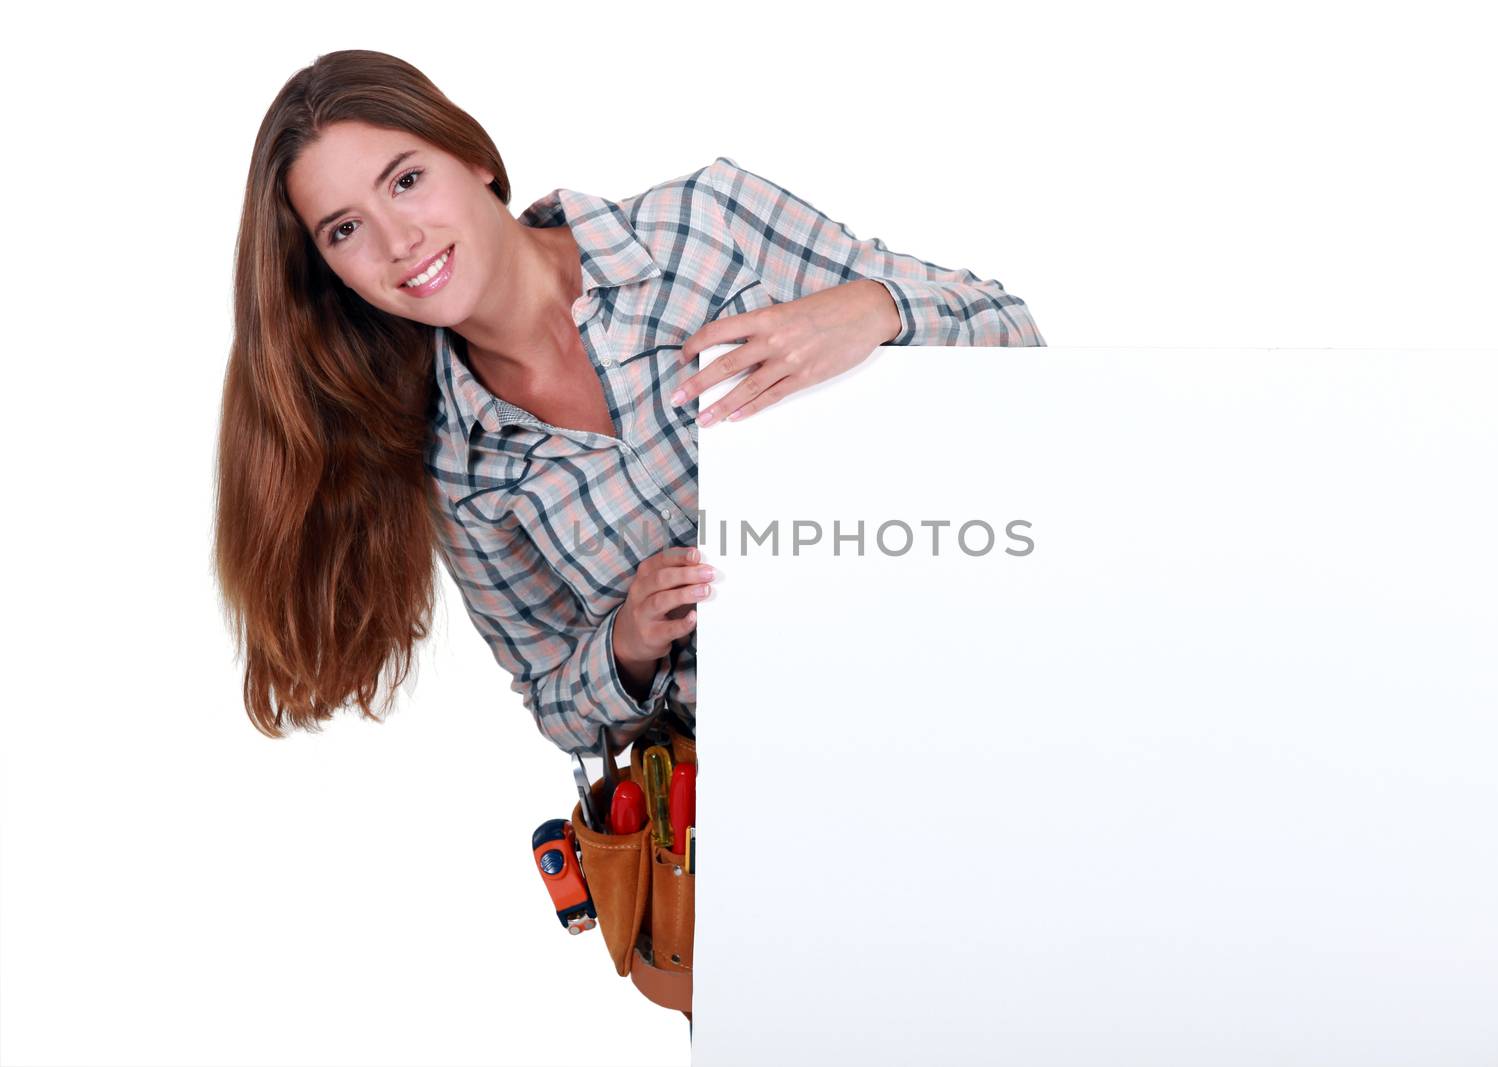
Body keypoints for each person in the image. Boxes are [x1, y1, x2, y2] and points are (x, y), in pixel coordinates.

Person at [214, 49, 1046, 757]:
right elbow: (560, 707)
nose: (399, 242)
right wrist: (629, 642)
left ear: (472, 157)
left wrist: (873, 309)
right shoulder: (457, 462)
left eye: (405, 180)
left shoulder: (706, 224)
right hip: (764, 804)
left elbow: (1015, 337)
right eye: (344, 230)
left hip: (968, 689)